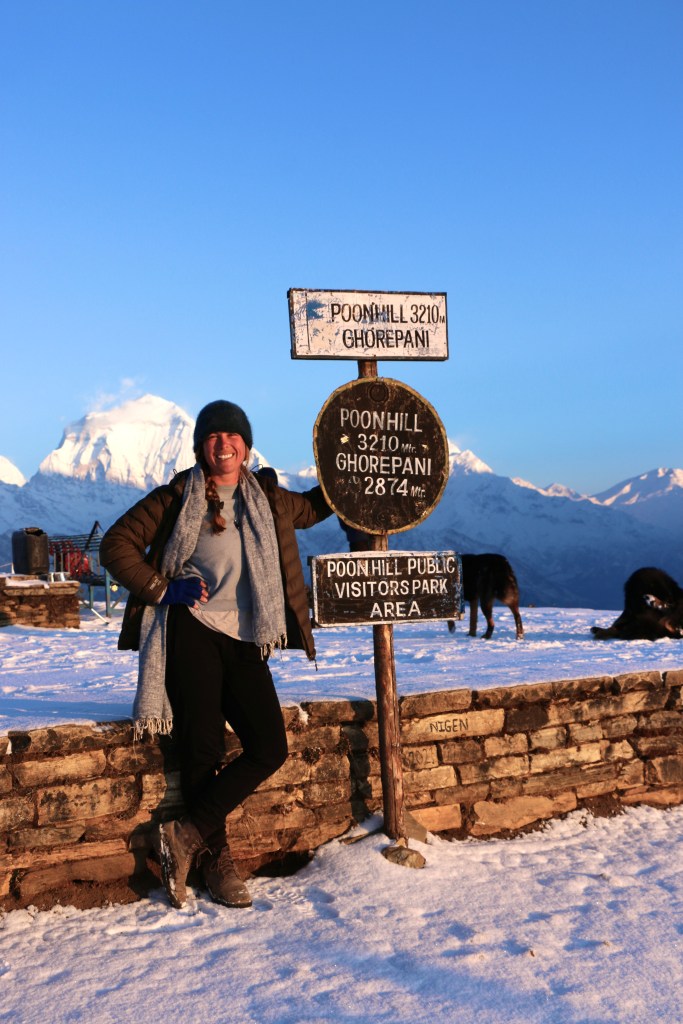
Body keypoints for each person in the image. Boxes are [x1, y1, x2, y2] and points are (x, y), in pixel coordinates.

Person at [100, 400, 332, 910]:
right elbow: (115, 545)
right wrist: (163, 589)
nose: (223, 443)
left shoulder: (267, 497)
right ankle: (215, 860)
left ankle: (184, 835)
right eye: (213, 436)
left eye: (233, 436)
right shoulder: (176, 496)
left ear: (247, 446)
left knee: (269, 747)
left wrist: (353, 478)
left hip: (248, 636)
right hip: (193, 631)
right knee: (203, 751)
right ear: (200, 445)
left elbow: (314, 509)